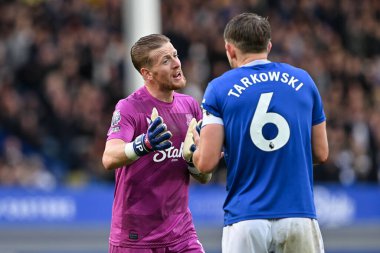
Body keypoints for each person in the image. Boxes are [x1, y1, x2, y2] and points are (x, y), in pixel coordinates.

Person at [185, 13, 329, 253]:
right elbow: (321, 153)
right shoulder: (304, 81)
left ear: (230, 50)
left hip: (246, 219)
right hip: (298, 215)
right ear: (269, 46)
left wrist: (193, 151)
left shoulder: (219, 87)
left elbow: (207, 163)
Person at [102, 34, 211, 253]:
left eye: (175, 55)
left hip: (181, 234)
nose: (177, 63)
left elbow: (204, 176)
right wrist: (144, 144)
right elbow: (109, 157)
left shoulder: (190, 106)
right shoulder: (129, 108)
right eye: (165, 60)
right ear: (147, 73)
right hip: (135, 238)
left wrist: (193, 161)